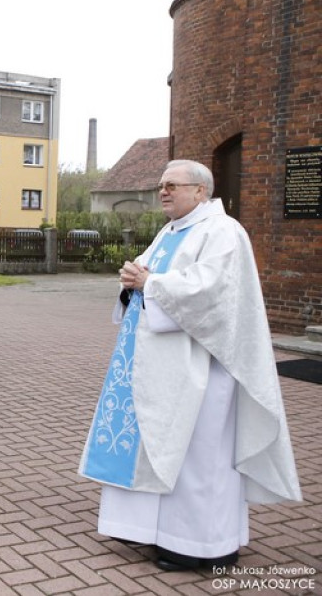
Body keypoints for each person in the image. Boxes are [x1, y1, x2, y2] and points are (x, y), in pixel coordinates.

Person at [78, 159, 302, 571]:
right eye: (161, 185)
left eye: (173, 185)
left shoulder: (223, 233)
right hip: (159, 367)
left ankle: (200, 546)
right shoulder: (170, 231)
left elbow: (213, 293)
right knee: (159, 446)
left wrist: (151, 283)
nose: (163, 191)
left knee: (199, 456)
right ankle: (152, 533)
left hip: (203, 368)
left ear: (200, 191)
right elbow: (146, 279)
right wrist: (130, 281)